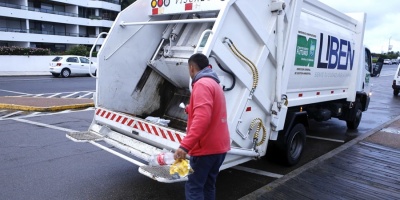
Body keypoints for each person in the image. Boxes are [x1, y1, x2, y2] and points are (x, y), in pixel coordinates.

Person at [174, 53, 231, 200]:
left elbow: (202, 119)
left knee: (194, 188)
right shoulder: (214, 83)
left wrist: (185, 146)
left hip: (206, 149)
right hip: (219, 147)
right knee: (208, 186)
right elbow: (209, 110)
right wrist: (190, 108)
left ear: (192, 68)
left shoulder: (201, 84)